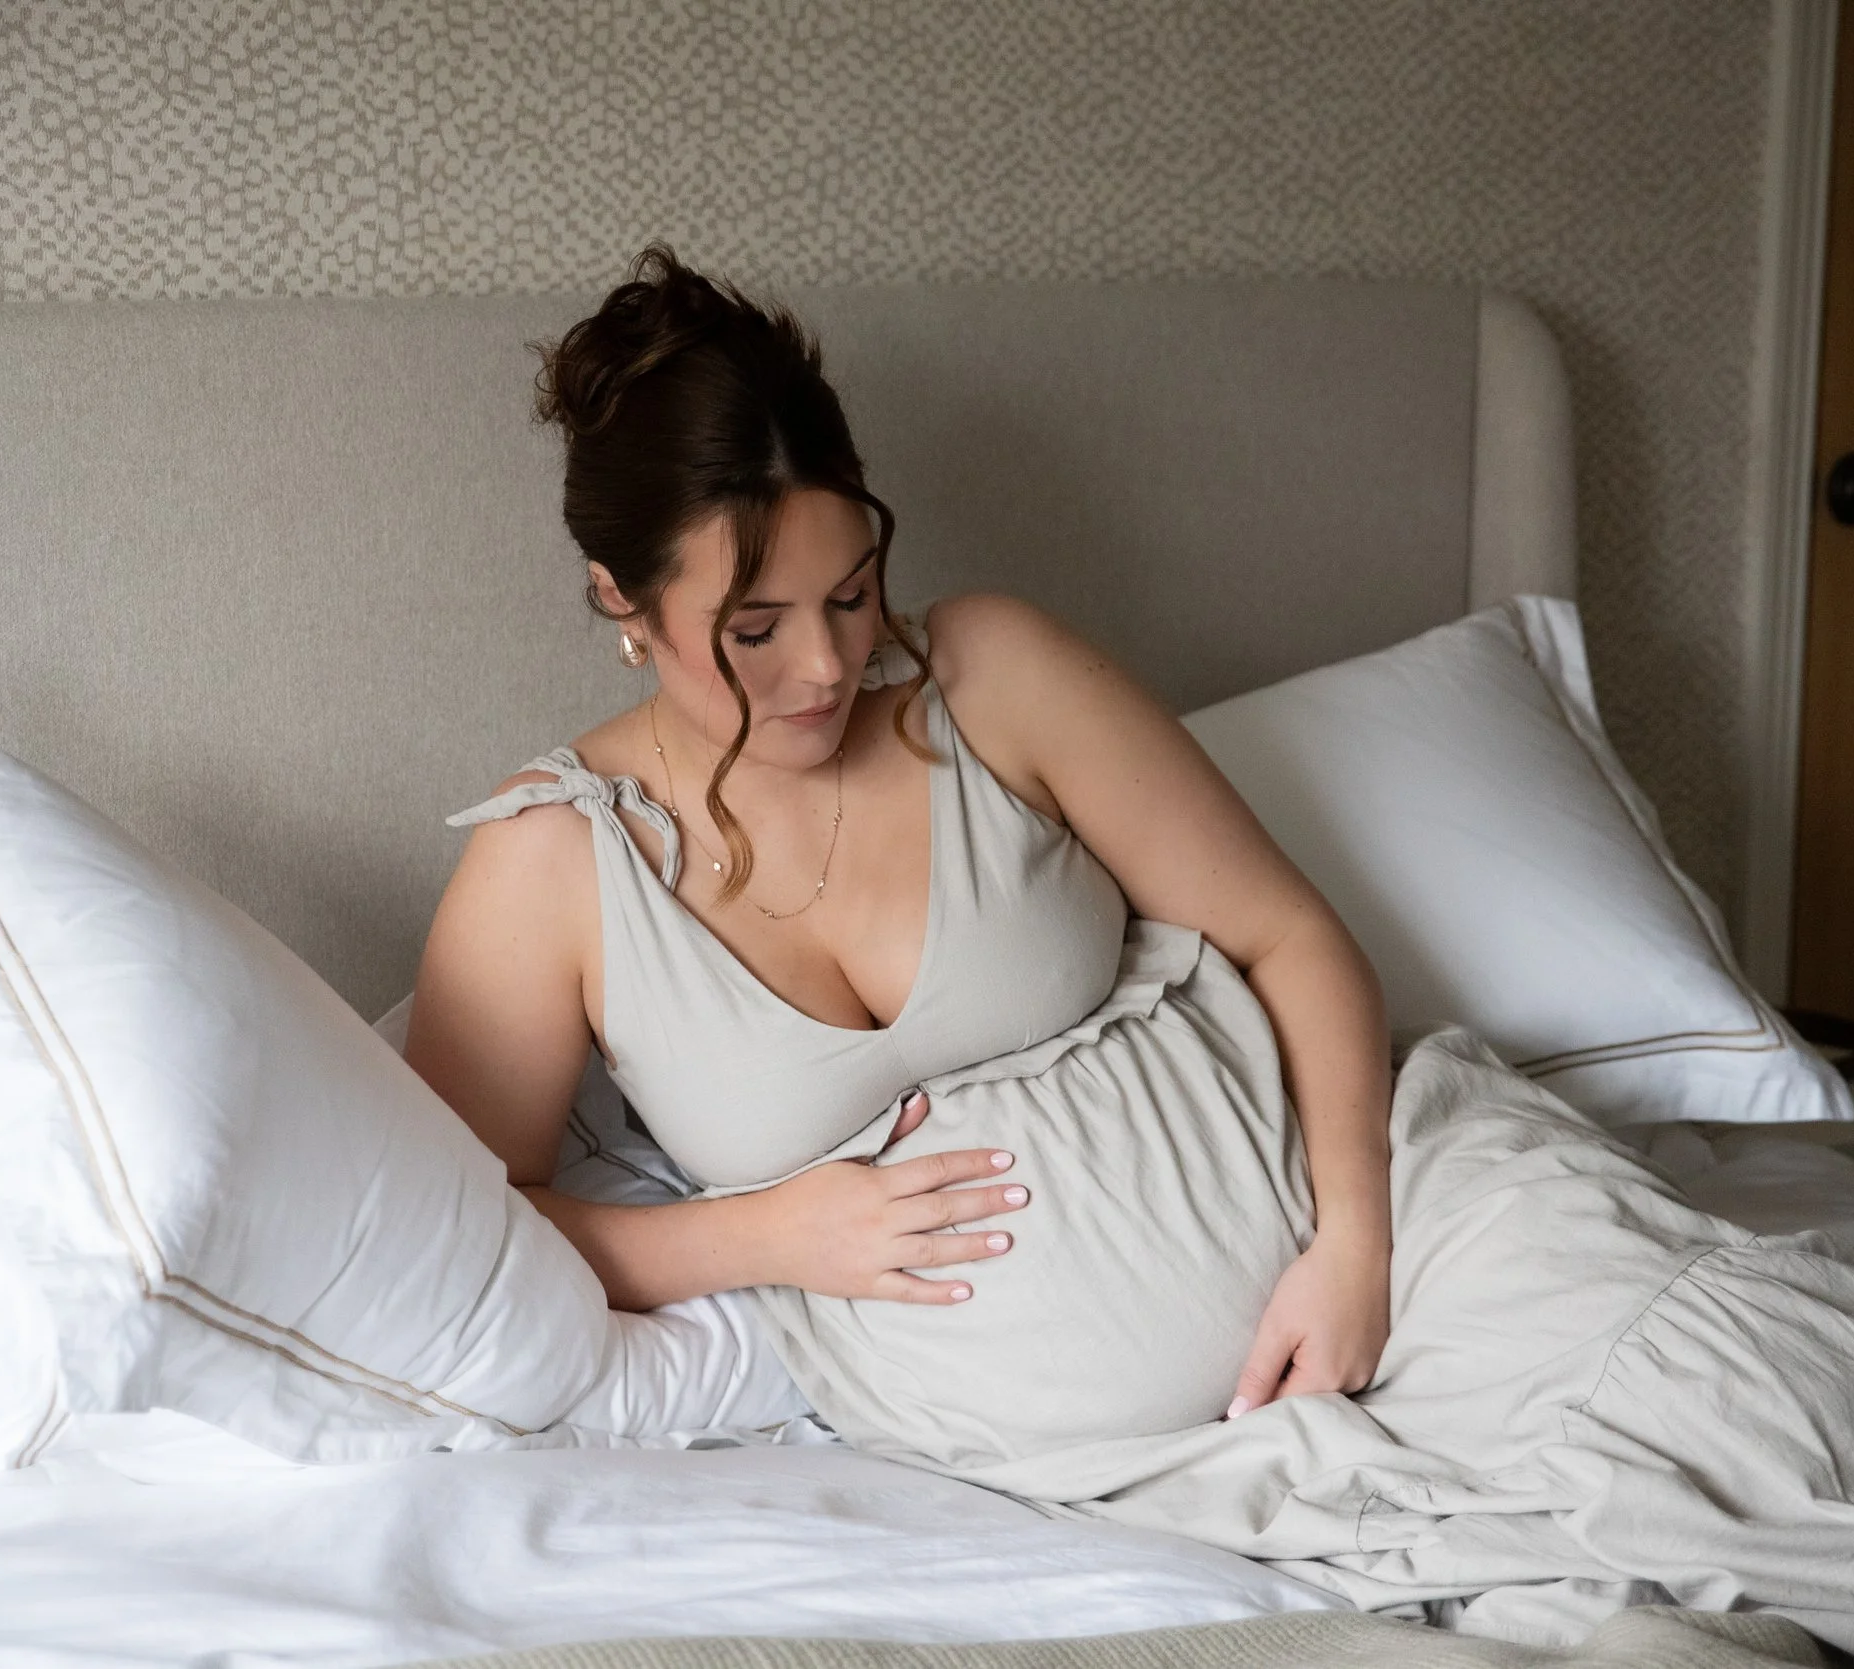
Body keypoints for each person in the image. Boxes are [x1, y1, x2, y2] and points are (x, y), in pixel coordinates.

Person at [404, 244, 1392, 1433]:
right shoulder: (551, 864)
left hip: (1373, 1259)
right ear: (623, 599)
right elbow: (455, 1224)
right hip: (1068, 1476)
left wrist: (1355, 1252)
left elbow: (1288, 937)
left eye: (852, 592)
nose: (825, 666)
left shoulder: (991, 675)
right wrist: (760, 1234)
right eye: (755, 629)